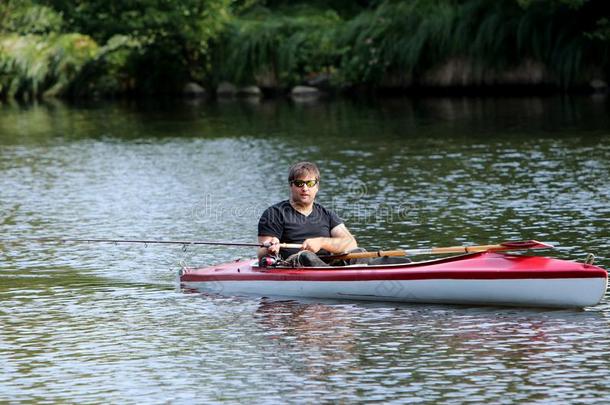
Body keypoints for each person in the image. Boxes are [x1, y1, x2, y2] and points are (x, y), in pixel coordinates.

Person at [257, 161, 360, 267]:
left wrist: (321, 242)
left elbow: (351, 243)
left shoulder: (327, 214)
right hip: (293, 265)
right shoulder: (273, 214)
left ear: (317, 186)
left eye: (310, 183)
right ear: (291, 185)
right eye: (299, 183)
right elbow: (261, 253)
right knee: (306, 256)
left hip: (327, 264)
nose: (305, 188)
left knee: (358, 252)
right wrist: (270, 247)